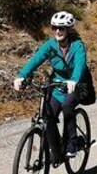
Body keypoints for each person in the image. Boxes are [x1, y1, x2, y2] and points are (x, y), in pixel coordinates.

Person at [13, 11, 89, 157]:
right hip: (57, 86)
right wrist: (21, 76)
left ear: (69, 30)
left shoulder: (78, 46)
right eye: (55, 27)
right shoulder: (50, 45)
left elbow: (80, 64)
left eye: (61, 28)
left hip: (78, 84)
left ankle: (72, 142)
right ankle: (57, 148)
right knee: (48, 116)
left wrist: (74, 80)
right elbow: (36, 60)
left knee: (67, 106)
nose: (58, 31)